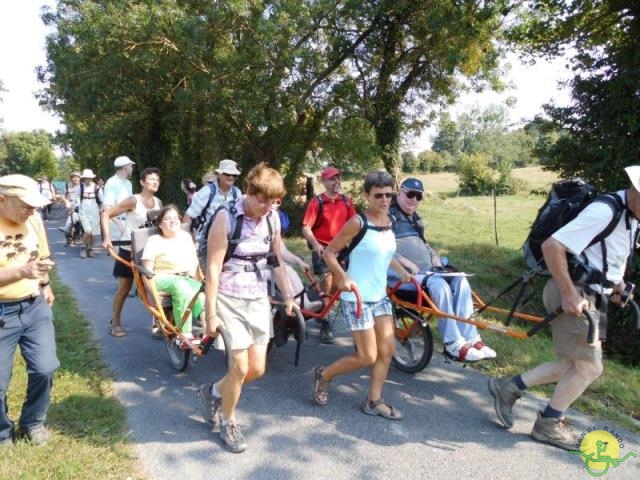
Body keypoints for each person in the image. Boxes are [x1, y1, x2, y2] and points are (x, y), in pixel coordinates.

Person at [488, 166, 640, 451]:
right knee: (590, 367)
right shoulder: (606, 211)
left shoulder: (632, 218)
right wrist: (569, 293)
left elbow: (608, 257)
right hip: (571, 292)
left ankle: (509, 387)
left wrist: (617, 286)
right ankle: (547, 424)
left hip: (593, 295)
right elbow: (552, 246)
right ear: (635, 190)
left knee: (573, 364)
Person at [198, 162, 294, 454]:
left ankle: (213, 391)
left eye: (273, 201)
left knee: (256, 369)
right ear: (250, 191)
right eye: (262, 199)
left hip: (257, 298)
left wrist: (288, 295)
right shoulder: (226, 219)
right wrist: (211, 314)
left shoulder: (272, 220)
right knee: (238, 367)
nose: (266, 206)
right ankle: (228, 422)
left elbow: (275, 261)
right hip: (228, 298)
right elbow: (213, 269)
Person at [313, 170, 412, 421]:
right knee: (366, 356)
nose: (384, 199)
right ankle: (324, 374)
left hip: (380, 297)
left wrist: (402, 272)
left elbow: (385, 255)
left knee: (387, 350)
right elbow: (329, 253)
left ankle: (374, 400)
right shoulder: (358, 222)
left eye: (389, 194)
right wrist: (342, 277)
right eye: (378, 195)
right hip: (356, 297)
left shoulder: (391, 222)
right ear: (367, 195)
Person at [389, 177, 496, 362]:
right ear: (400, 192)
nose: (414, 199)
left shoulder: (414, 219)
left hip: (427, 271)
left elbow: (424, 244)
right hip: (404, 277)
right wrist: (405, 262)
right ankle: (453, 343)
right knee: (440, 285)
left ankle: (470, 338)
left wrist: (434, 256)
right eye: (410, 194)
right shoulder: (388, 216)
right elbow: (383, 249)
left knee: (460, 280)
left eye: (419, 196)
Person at [0, 174, 58, 446]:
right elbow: (26, 267)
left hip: (34, 306)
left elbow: (41, 256)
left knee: (45, 368)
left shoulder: (33, 220)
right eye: (25, 205)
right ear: (2, 199)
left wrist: (45, 283)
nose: (32, 211)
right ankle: (2, 432)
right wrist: (21, 271)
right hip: (2, 313)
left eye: (35, 205)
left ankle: (33, 422)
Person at [101, 167, 162, 338]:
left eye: (157, 180)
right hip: (129, 250)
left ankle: (158, 324)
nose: (155, 182)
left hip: (150, 253)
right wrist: (107, 238)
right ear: (142, 182)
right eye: (151, 179)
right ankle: (115, 323)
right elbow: (107, 214)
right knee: (124, 289)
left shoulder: (158, 203)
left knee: (155, 289)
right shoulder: (133, 201)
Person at [301, 166, 357, 343]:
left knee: (338, 287)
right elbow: (305, 228)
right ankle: (325, 324)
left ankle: (322, 310)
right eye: (332, 179)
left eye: (338, 178)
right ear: (324, 182)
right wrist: (316, 244)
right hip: (323, 250)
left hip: (342, 251)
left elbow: (355, 224)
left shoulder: (346, 202)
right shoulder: (316, 202)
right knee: (327, 288)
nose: (336, 182)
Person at [141, 205, 203, 340]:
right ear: (160, 224)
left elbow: (194, 264)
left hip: (186, 278)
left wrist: (201, 285)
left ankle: (207, 328)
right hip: (161, 278)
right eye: (168, 218)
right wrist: (152, 293)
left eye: (176, 218)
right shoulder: (154, 240)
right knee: (181, 287)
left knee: (203, 294)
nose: (173, 221)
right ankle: (184, 334)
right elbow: (146, 271)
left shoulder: (186, 237)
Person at [182, 159, 242, 260]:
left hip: (230, 242)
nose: (231, 177)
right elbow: (189, 216)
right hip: (207, 241)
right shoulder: (207, 191)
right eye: (227, 174)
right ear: (218, 175)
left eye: (234, 175)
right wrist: (185, 240)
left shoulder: (237, 193)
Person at [103, 156, 135, 245]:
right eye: (131, 166)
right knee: (120, 256)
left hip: (128, 223)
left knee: (130, 255)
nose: (132, 168)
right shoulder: (112, 183)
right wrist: (119, 224)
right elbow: (106, 207)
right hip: (117, 224)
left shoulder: (129, 183)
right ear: (125, 168)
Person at [74, 169, 103, 259]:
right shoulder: (80, 187)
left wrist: (102, 210)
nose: (87, 180)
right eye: (86, 178)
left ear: (91, 178)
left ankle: (90, 249)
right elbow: (78, 198)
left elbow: (102, 201)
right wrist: (78, 207)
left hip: (94, 211)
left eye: (89, 178)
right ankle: (83, 248)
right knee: (87, 231)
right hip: (84, 211)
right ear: (84, 178)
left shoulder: (97, 188)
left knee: (93, 233)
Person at [62, 171, 82, 246]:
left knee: (79, 224)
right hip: (69, 206)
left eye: (77, 177)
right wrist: (66, 202)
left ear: (80, 178)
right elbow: (62, 196)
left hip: (80, 207)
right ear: (71, 178)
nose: (75, 179)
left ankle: (76, 238)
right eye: (74, 177)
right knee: (68, 225)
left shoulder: (82, 186)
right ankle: (68, 239)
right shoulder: (67, 185)